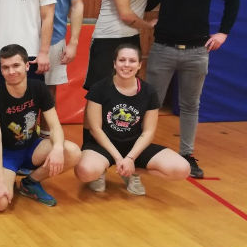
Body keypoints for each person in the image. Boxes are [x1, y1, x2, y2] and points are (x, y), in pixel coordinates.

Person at [144, 0, 240, 178]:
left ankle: (187, 154)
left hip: (197, 52)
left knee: (190, 105)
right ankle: (141, 151)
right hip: (163, 50)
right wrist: (149, 18)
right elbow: (147, 4)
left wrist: (223, 33)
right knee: (150, 103)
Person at [75, 43, 190, 194]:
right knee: (84, 171)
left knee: (182, 169)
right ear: (114, 63)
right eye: (122, 60)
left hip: (134, 146)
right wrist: (118, 158)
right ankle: (101, 171)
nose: (127, 65)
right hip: (103, 145)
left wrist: (130, 158)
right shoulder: (99, 88)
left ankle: (132, 172)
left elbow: (148, 132)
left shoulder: (149, 92)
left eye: (132, 61)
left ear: (139, 65)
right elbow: (95, 129)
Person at [0, 44, 80, 211]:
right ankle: (4, 176)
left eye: (16, 65)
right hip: (5, 154)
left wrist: (57, 148)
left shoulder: (38, 88)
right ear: (1, 70)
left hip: (32, 149)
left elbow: (55, 126)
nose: (11, 71)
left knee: (72, 152)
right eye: (5, 67)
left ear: (27, 66)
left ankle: (30, 183)